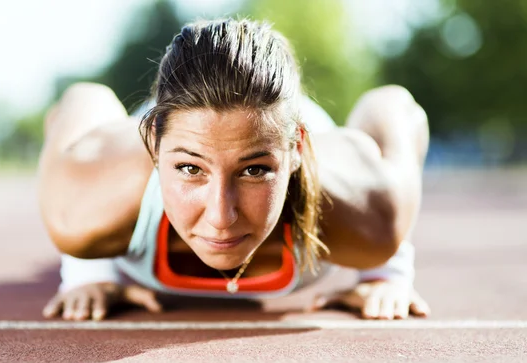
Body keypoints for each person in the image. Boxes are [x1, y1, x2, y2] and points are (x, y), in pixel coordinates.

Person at [38, 18, 431, 322]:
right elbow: (82, 99)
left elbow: (394, 105)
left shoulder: (371, 219)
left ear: (296, 150)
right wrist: (90, 271)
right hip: (168, 128)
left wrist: (384, 273)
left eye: (255, 172)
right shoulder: (81, 209)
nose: (221, 216)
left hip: (280, 121)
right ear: (155, 149)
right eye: (190, 169)